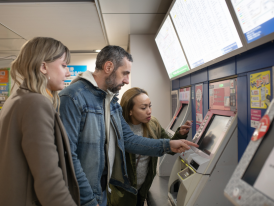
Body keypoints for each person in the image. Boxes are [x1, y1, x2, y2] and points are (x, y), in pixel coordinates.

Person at [59, 45, 198, 206]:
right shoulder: (73, 97)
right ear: (108, 67)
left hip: (101, 192)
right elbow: (67, 155)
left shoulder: (110, 102)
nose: (126, 80)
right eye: (125, 73)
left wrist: (168, 145)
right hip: (82, 197)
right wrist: (88, 199)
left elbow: (128, 139)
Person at [0, 37, 80, 206]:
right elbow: (48, 179)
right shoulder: (35, 103)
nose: (68, 73)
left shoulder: (17, 99)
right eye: (64, 65)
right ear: (43, 67)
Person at [108, 87, 192, 206]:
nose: (149, 111)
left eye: (150, 106)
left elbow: (170, 148)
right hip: (121, 193)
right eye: (143, 107)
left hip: (142, 190)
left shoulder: (153, 124)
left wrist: (180, 134)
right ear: (129, 110)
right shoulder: (117, 129)